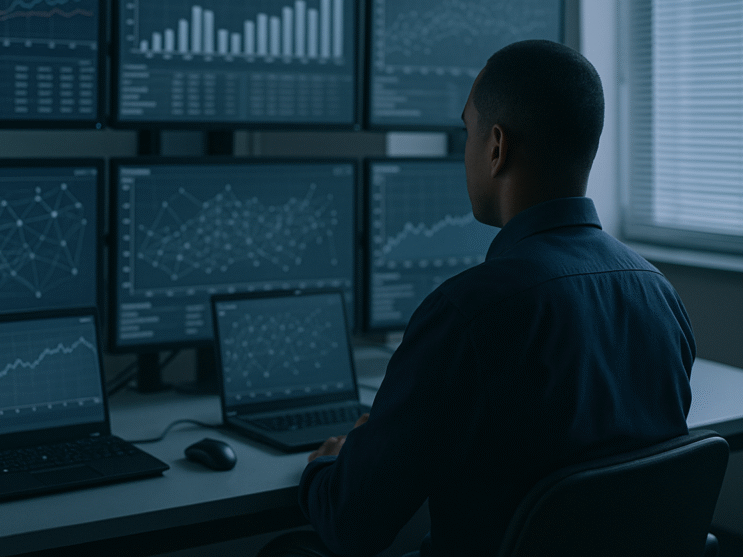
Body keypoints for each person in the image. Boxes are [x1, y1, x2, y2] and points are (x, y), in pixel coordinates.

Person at [290, 40, 696, 557]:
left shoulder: (469, 312)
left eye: (467, 131)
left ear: (496, 146)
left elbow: (352, 525)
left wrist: (329, 465)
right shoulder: (659, 294)